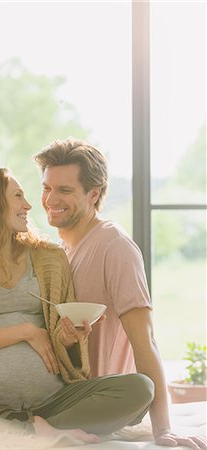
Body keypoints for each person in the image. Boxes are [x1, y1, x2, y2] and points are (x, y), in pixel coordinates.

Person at [0, 167, 154, 442]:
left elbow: (62, 340)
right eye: (17, 196)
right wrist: (26, 331)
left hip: (53, 400)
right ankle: (33, 429)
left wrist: (68, 337)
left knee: (140, 389)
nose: (28, 205)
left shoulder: (49, 258)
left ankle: (30, 427)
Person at [34, 138, 207, 450]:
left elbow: (145, 340)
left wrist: (163, 430)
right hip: (56, 393)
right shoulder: (58, 252)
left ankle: (31, 425)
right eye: (47, 187)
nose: (50, 199)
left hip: (97, 398)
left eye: (65, 190)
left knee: (140, 389)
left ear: (94, 193)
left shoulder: (115, 247)